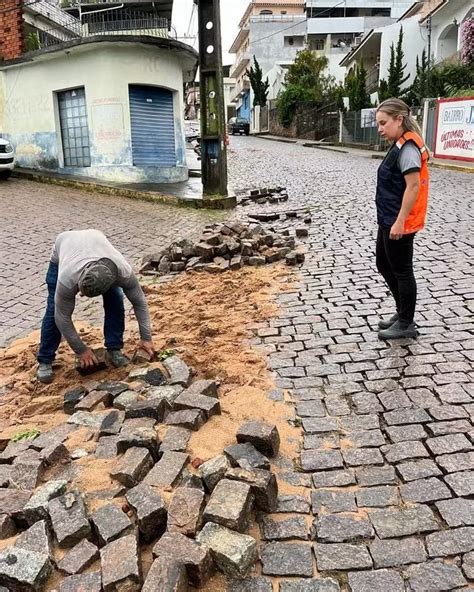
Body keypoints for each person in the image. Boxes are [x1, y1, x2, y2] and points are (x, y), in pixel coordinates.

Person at [36, 229, 155, 383]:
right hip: (63, 251)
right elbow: (62, 317)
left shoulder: (123, 271)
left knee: (116, 299)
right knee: (54, 309)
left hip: (97, 245)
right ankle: (45, 359)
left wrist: (146, 338)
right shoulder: (67, 277)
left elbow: (139, 302)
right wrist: (81, 351)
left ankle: (114, 349)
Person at [374, 98, 430, 340]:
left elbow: (413, 186)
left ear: (399, 119)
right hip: (388, 216)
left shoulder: (408, 148)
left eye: (383, 123)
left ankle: (406, 322)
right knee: (383, 264)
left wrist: (400, 221)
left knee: (402, 270)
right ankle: (402, 311)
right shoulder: (398, 143)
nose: (379, 128)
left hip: (400, 221)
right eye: (378, 123)